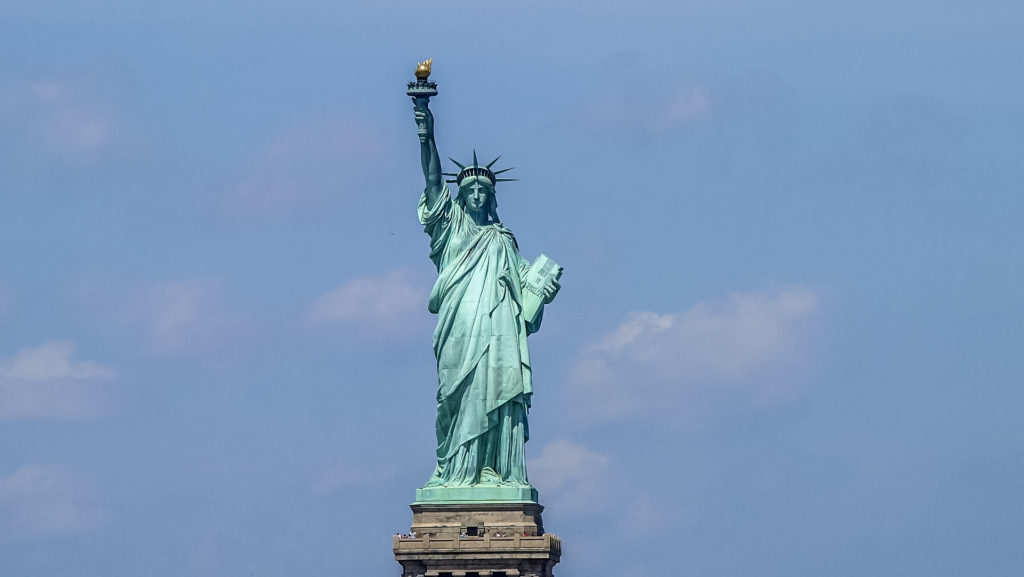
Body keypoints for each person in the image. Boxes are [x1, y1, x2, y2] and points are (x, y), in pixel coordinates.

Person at [413, 99, 560, 489]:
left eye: (483, 190)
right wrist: (425, 131)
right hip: (460, 326)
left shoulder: (503, 239)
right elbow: (432, 180)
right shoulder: (450, 228)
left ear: (492, 197)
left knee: (496, 388)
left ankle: (491, 468)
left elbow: (527, 287)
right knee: (456, 395)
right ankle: (454, 469)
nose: (477, 195)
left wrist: (544, 288)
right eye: (470, 189)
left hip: (499, 331)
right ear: (460, 197)